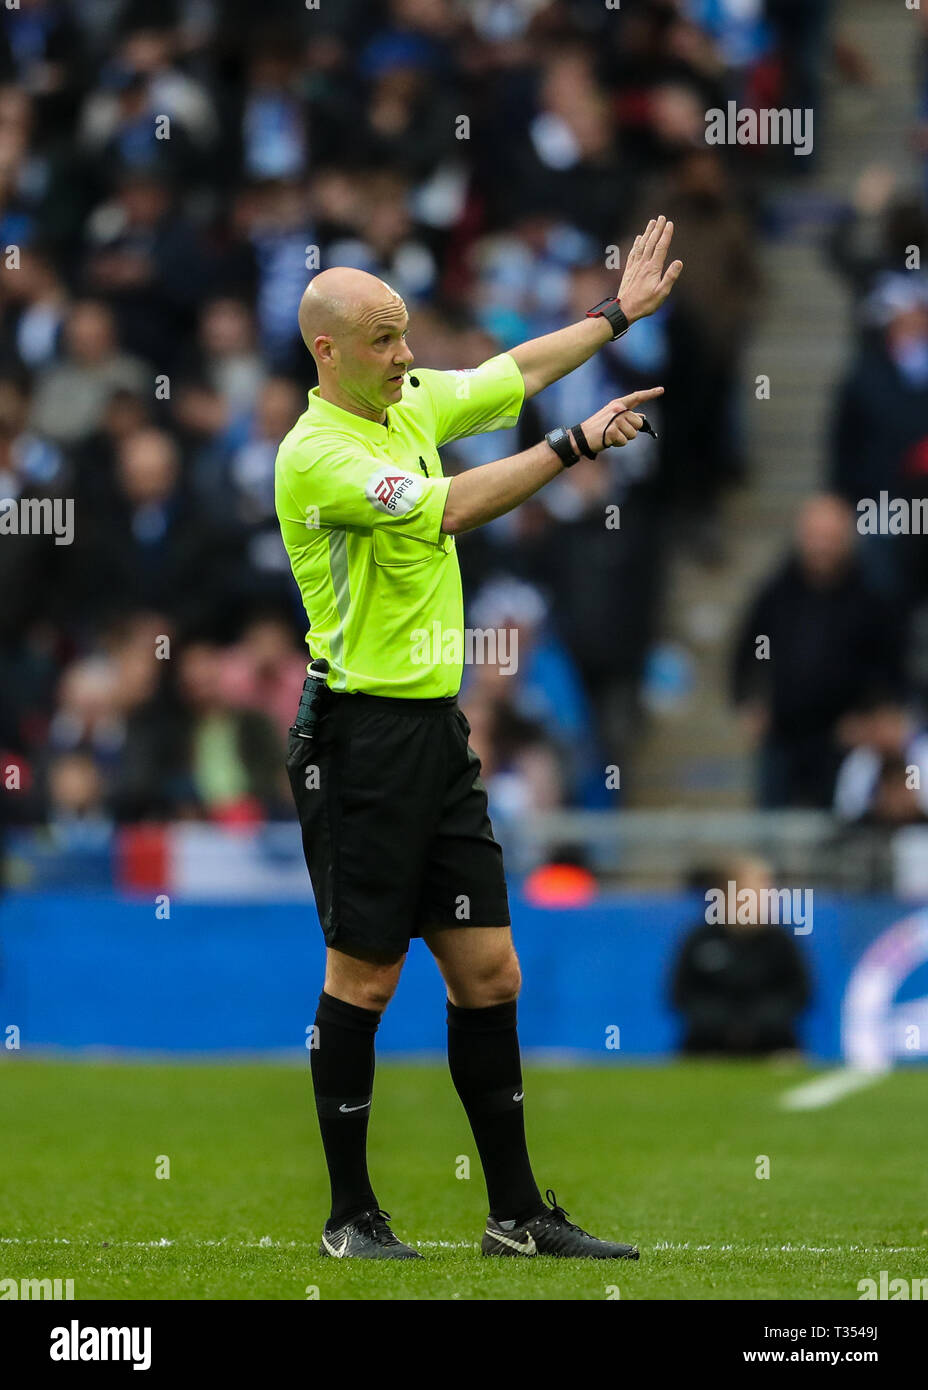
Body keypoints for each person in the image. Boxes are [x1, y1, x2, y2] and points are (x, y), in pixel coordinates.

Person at [275, 216, 683, 1260]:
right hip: (360, 738)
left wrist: (611, 315)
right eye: (383, 337)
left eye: (405, 332)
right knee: (363, 977)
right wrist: (576, 442)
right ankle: (349, 1215)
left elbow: (505, 373)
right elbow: (449, 510)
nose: (406, 354)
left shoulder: (405, 402)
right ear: (327, 349)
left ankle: (516, 1214)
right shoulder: (317, 454)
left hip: (434, 736)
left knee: (490, 971)